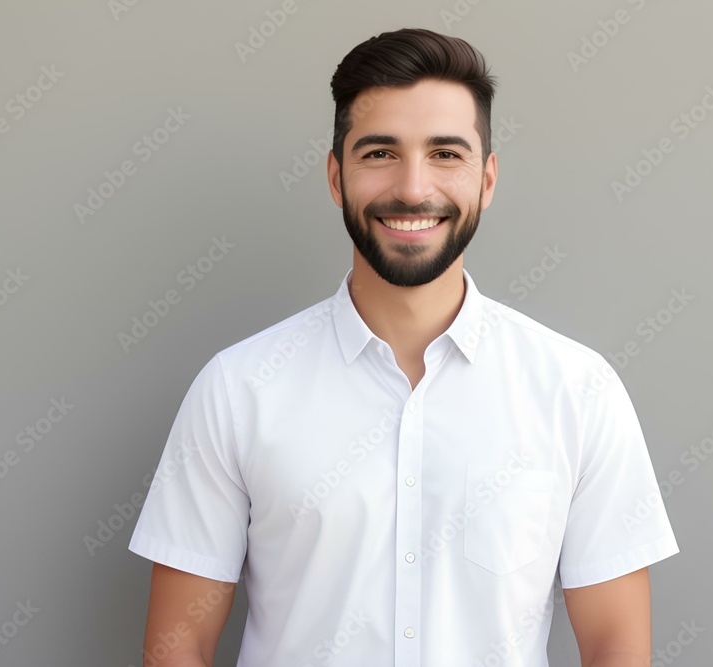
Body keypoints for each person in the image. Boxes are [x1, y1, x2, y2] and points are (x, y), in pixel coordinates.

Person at [128, 27, 679, 667]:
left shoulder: (578, 391)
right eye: (380, 153)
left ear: (487, 179)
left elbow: (617, 650)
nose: (413, 188)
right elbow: (175, 648)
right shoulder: (238, 388)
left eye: (446, 153)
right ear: (337, 176)